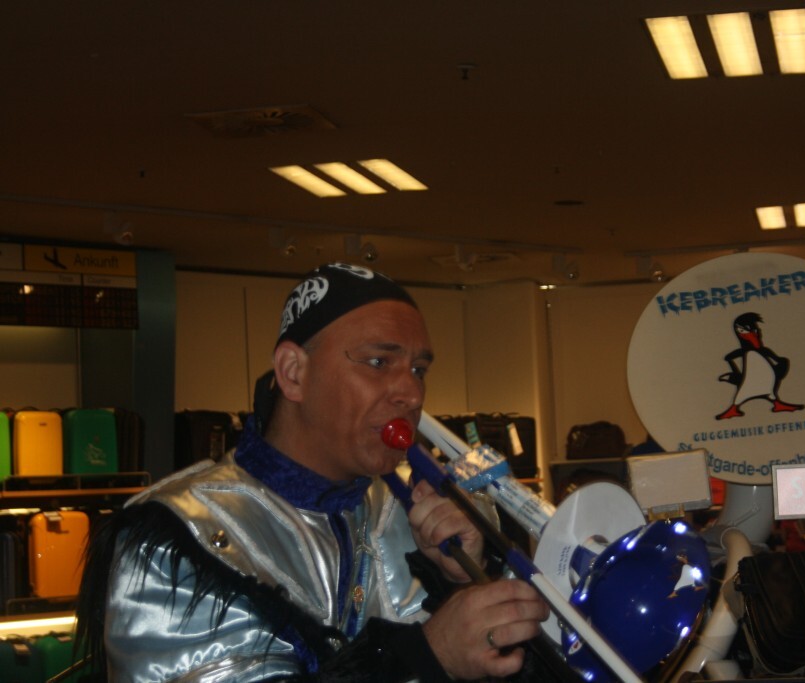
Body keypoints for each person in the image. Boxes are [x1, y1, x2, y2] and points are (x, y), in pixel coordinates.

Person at [77, 263, 551, 682]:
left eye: (419, 370)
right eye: (378, 362)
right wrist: (427, 655)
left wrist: (464, 581)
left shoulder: (415, 515)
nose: (410, 393)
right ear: (293, 373)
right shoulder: (181, 534)